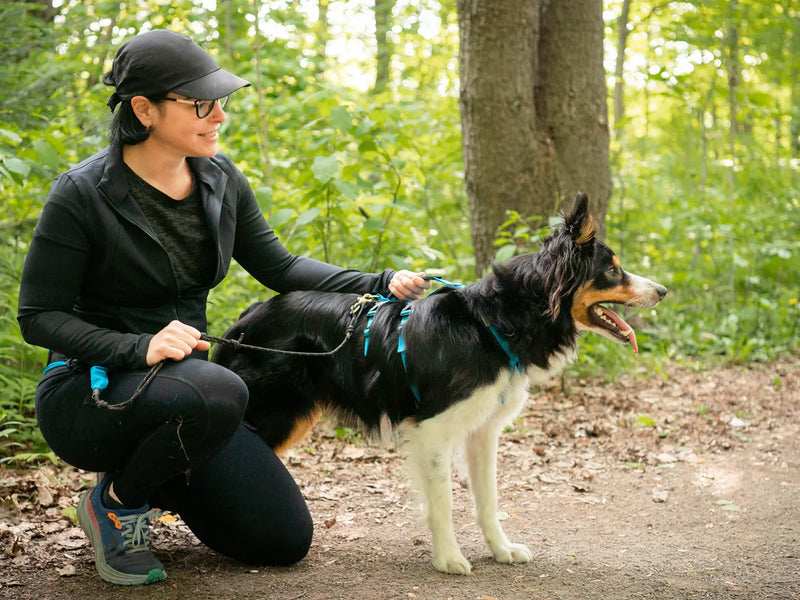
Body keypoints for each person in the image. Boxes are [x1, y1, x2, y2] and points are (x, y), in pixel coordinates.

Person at [17, 29, 430, 586]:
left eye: (222, 103)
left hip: (186, 398)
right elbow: (38, 316)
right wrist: (139, 347)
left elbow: (281, 268)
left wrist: (379, 282)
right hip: (89, 393)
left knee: (281, 539)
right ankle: (116, 502)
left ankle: (154, 471)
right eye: (201, 104)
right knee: (222, 388)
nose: (219, 117)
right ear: (145, 109)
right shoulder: (82, 194)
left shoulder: (218, 179)